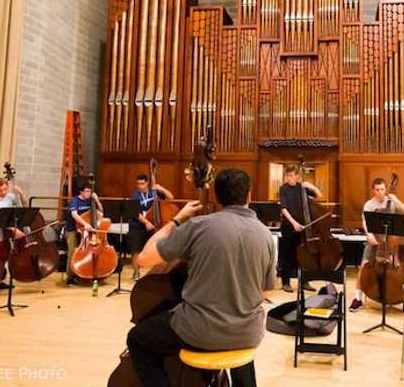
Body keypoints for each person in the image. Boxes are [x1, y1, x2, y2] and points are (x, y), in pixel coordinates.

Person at [127, 168, 275, 387]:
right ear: (249, 196)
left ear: (217, 197)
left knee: (137, 339)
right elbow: (265, 293)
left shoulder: (199, 226)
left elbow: (145, 258)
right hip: (248, 332)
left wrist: (176, 220)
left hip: (200, 332)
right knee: (236, 331)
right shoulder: (266, 235)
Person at [349, 177, 404, 312]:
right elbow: (365, 222)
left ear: (386, 189)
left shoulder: (392, 202)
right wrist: (369, 235)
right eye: (377, 190)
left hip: (393, 243)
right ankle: (357, 298)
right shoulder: (369, 205)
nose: (380, 192)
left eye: (382, 189)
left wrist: (398, 202)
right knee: (364, 264)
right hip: (376, 241)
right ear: (373, 190)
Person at [278, 164, 322, 293]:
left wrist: (311, 186)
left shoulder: (301, 188)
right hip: (288, 226)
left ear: (297, 176)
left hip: (303, 226)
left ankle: (304, 281)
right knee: (286, 254)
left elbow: (319, 195)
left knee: (303, 255)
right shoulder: (283, 189)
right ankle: (286, 282)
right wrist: (294, 223)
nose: (289, 178)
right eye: (287, 175)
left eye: (292, 175)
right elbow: (284, 209)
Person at [129, 174, 174, 280]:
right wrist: (146, 223)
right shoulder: (135, 196)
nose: (140, 186)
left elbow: (170, 197)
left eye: (142, 183)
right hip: (138, 225)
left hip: (154, 224)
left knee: (158, 247)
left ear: (147, 183)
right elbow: (136, 213)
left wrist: (161, 188)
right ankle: (136, 273)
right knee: (136, 249)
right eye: (138, 184)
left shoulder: (154, 193)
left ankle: (158, 272)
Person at [64, 181, 104, 285]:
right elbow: (74, 214)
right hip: (73, 229)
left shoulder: (91, 200)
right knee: (73, 253)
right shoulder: (75, 201)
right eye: (87, 191)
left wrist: (97, 200)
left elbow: (101, 212)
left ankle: (85, 274)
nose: (89, 193)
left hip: (87, 231)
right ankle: (70, 278)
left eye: (90, 191)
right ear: (81, 192)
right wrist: (84, 223)